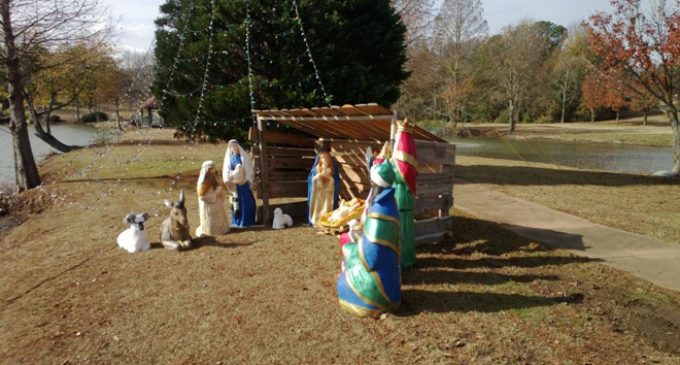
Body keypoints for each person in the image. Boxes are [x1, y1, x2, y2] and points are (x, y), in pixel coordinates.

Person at [336, 161, 401, 317]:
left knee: (343, 284)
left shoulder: (380, 213)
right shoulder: (389, 202)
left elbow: (371, 258)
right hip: (388, 271)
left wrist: (353, 248)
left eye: (372, 183)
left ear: (377, 185)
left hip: (377, 280)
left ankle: (372, 301)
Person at [391, 120, 418, 270]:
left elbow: (401, 177)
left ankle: (405, 259)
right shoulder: (401, 159)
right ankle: (401, 257)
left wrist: (387, 170)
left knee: (404, 231)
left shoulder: (404, 162)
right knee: (401, 230)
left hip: (402, 199)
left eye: (397, 136)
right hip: (399, 198)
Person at [223, 139, 256, 227]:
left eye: (235, 146)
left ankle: (247, 221)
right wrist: (232, 179)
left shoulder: (243, 157)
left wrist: (246, 178)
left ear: (238, 147)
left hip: (243, 183)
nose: (234, 148)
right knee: (236, 202)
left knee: (247, 202)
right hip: (234, 184)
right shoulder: (230, 159)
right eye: (231, 147)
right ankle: (237, 221)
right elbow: (227, 171)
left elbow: (248, 169)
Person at [196, 161, 229, 237]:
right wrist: (215, 193)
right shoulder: (202, 183)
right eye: (210, 169)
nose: (213, 171)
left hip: (218, 204)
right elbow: (202, 196)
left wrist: (221, 190)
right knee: (210, 220)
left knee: (220, 217)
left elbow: (223, 187)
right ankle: (210, 230)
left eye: (214, 169)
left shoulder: (216, 178)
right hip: (208, 206)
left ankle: (223, 229)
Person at [307, 150, 340, 226]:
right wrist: (319, 178)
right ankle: (317, 220)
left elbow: (337, 180)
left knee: (328, 207)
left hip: (329, 192)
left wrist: (332, 182)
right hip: (319, 193)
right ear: (319, 159)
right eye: (323, 158)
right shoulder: (315, 169)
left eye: (327, 158)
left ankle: (327, 220)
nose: (325, 160)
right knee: (318, 208)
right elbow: (312, 181)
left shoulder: (333, 168)